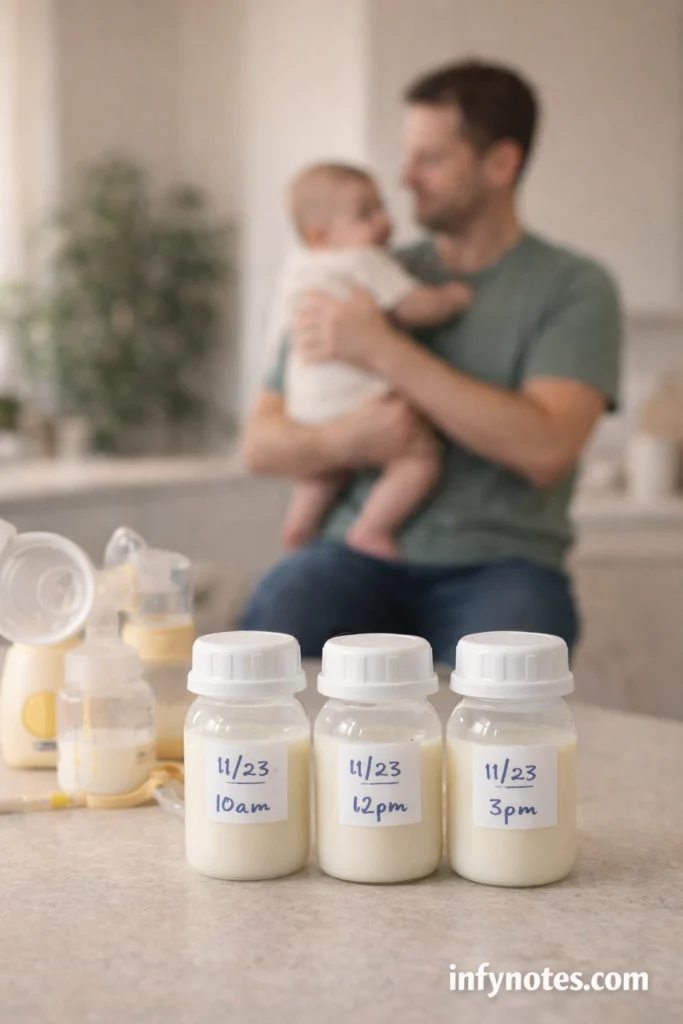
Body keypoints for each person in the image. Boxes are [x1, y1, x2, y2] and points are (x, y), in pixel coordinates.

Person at [240, 59, 622, 666]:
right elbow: (260, 445)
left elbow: (546, 449)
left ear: (501, 164)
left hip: (502, 564)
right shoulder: (356, 266)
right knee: (261, 660)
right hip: (349, 553)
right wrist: (350, 440)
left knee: (505, 702)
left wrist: (383, 350)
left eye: (431, 159)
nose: (406, 177)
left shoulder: (573, 287)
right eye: (408, 155)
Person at [266, 161, 472, 558]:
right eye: (366, 214)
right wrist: (451, 299)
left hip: (306, 404)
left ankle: (300, 523)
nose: (384, 222)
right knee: (419, 456)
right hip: (361, 398)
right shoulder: (364, 261)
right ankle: (372, 529)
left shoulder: (296, 269)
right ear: (320, 234)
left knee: (327, 466)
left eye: (381, 208)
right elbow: (415, 306)